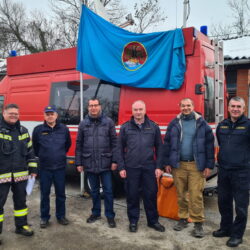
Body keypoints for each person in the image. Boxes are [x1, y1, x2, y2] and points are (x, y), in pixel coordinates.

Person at [162, 98, 214, 238]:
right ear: (179, 107)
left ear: (193, 106)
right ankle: (183, 219)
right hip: (178, 165)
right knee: (180, 194)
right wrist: (166, 162)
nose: (186, 108)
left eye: (188, 105)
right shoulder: (174, 123)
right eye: (183, 105)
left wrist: (209, 165)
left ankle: (198, 224)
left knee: (196, 195)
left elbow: (209, 146)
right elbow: (167, 144)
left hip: (196, 166)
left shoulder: (202, 123)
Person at [117, 100, 165, 233]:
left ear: (145, 110)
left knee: (150, 195)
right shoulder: (125, 127)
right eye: (135, 110)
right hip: (131, 168)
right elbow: (119, 148)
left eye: (140, 109)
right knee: (132, 196)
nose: (138, 112)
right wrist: (121, 167)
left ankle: (153, 221)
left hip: (149, 168)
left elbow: (160, 148)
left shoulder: (153, 127)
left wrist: (159, 166)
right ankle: (133, 221)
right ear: (132, 111)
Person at [213, 96, 250, 247]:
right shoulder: (222, 125)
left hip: (241, 172)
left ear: (243, 109)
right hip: (224, 171)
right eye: (232, 106)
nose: (235, 109)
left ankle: (237, 234)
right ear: (228, 108)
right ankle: (226, 229)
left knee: (241, 206)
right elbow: (221, 144)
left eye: (238, 107)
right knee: (223, 202)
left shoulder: (248, 125)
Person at [75, 98, 117, 228]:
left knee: (108, 191)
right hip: (89, 162)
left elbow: (115, 143)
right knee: (94, 191)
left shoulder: (108, 122)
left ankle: (110, 216)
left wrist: (115, 160)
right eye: (91, 106)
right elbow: (79, 144)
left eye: (95, 105)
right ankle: (96, 213)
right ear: (88, 108)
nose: (93, 108)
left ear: (100, 107)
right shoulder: (83, 124)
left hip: (105, 163)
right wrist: (78, 163)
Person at [0, 104, 38, 244]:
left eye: (16, 113)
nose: (14, 116)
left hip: (20, 175)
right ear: (4, 113)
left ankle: (21, 226)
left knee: (21, 203)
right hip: (1, 176)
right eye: (11, 113)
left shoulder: (23, 131)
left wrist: (33, 170)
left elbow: (30, 152)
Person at [32, 105, 71, 228]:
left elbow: (67, 145)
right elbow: (35, 148)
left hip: (59, 167)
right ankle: (44, 217)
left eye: (52, 113)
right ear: (44, 116)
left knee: (61, 194)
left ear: (56, 115)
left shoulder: (64, 129)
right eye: (47, 114)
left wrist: (58, 155)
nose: (50, 116)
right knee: (45, 194)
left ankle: (61, 216)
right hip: (45, 168)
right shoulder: (38, 129)